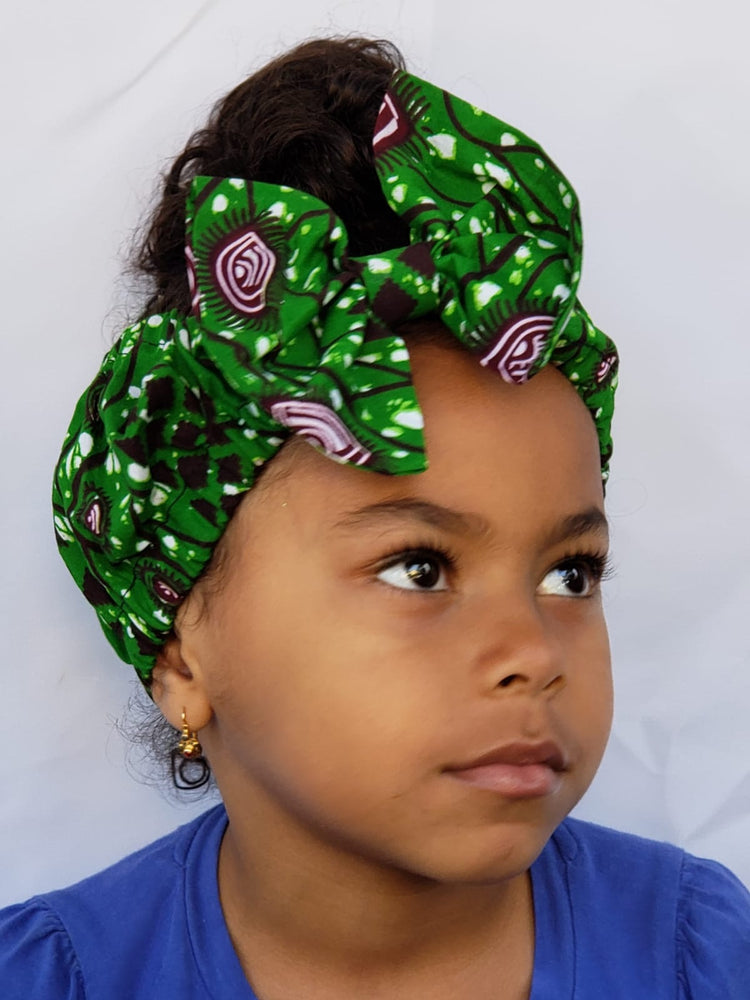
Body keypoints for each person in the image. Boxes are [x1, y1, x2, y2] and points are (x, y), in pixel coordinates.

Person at [1, 35, 748, 1000]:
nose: (532, 651)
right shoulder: (50, 981)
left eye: (572, 573)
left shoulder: (701, 958)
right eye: (419, 568)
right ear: (183, 655)